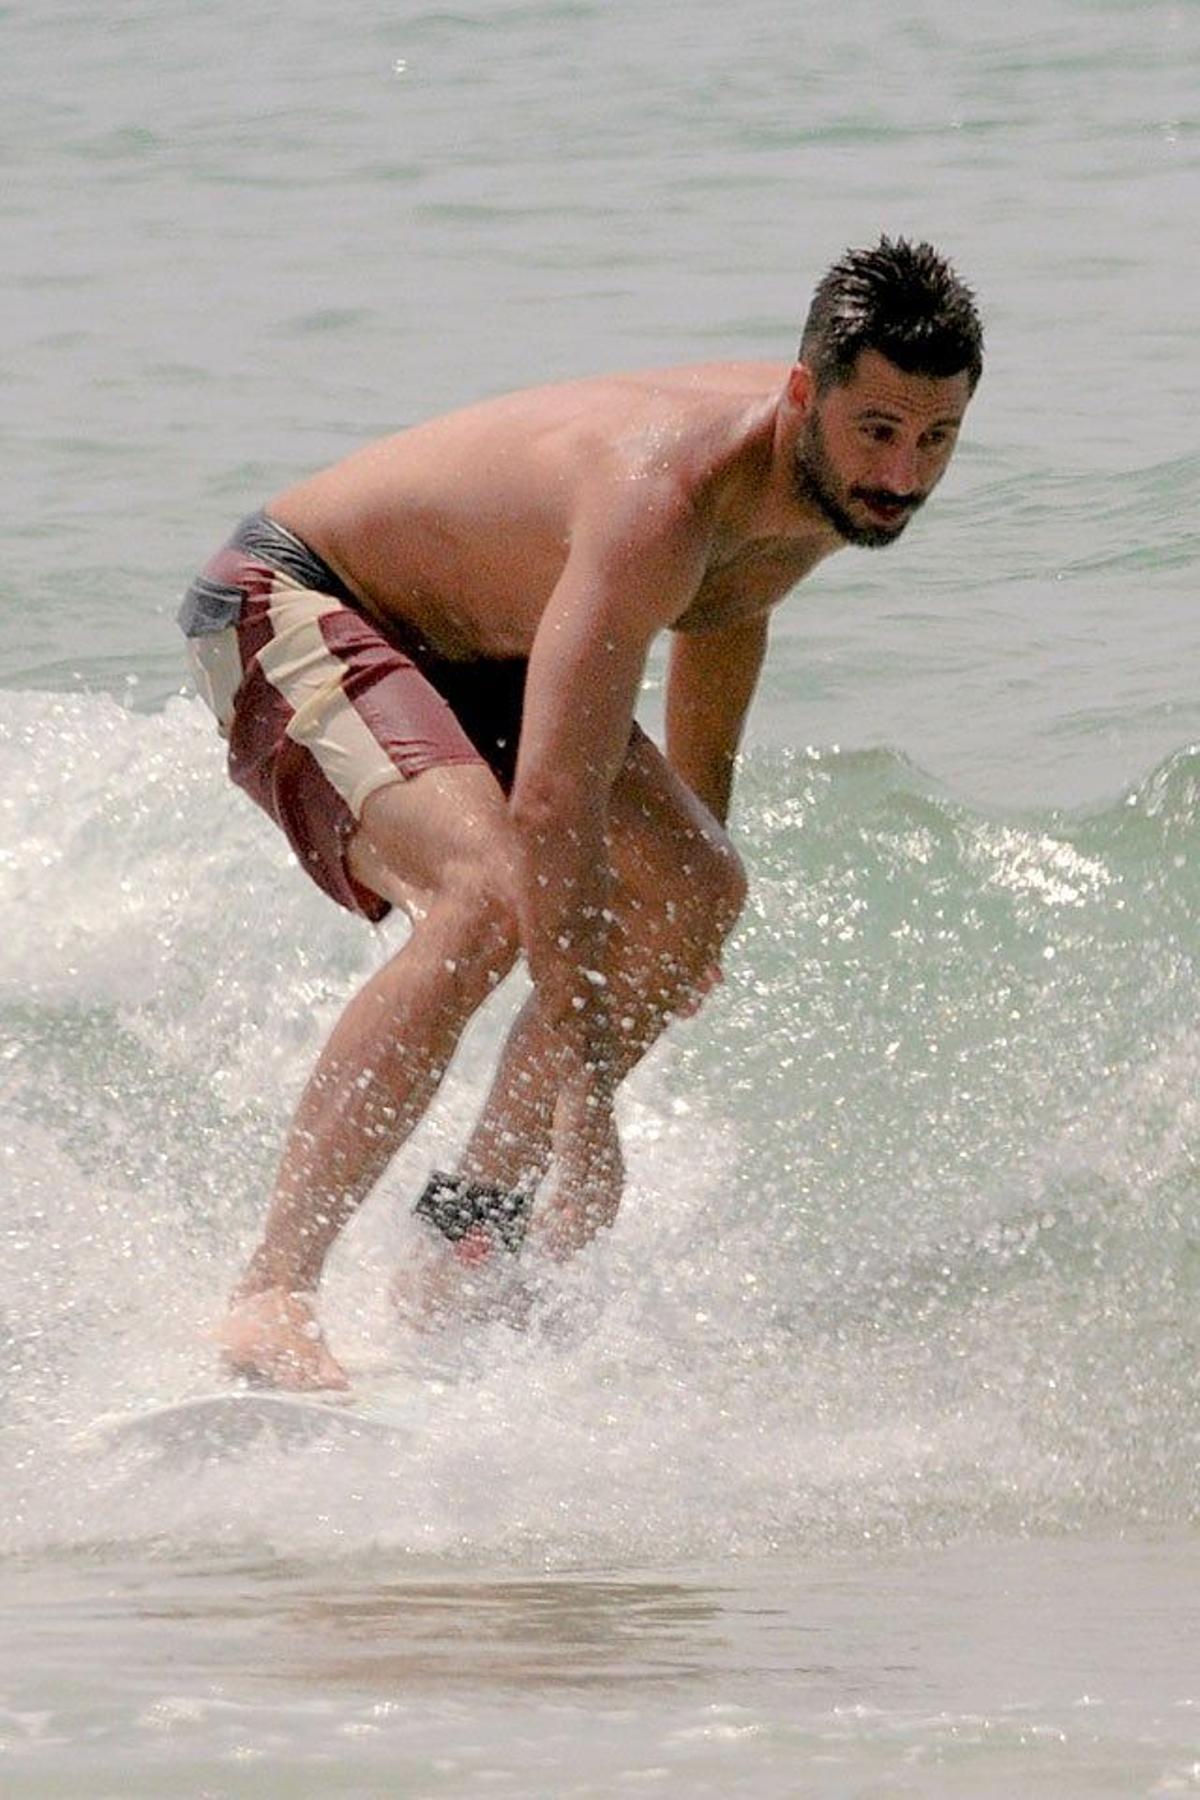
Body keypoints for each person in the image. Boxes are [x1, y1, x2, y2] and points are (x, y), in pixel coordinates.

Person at [180, 235, 984, 1389]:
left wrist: (690, 878)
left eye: (937, 440)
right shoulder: (665, 494)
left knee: (704, 887)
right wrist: (584, 1100)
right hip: (298, 595)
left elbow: (722, 617)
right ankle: (271, 1289)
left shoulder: (824, 482)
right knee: (485, 899)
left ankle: (467, 1237)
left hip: (488, 637)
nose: (903, 475)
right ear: (805, 394)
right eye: (880, 434)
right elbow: (556, 803)